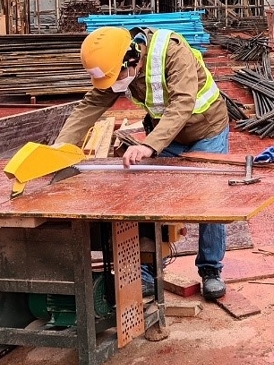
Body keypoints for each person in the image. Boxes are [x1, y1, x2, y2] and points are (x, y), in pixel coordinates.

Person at [55, 26, 230, 300]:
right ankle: (148, 271)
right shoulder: (120, 66)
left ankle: (211, 270)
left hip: (207, 130)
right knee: (150, 197)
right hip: (167, 135)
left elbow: (183, 103)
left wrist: (149, 145)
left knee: (210, 199)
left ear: (133, 58)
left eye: (116, 77)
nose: (114, 85)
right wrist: (60, 148)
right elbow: (90, 106)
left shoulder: (172, 51)